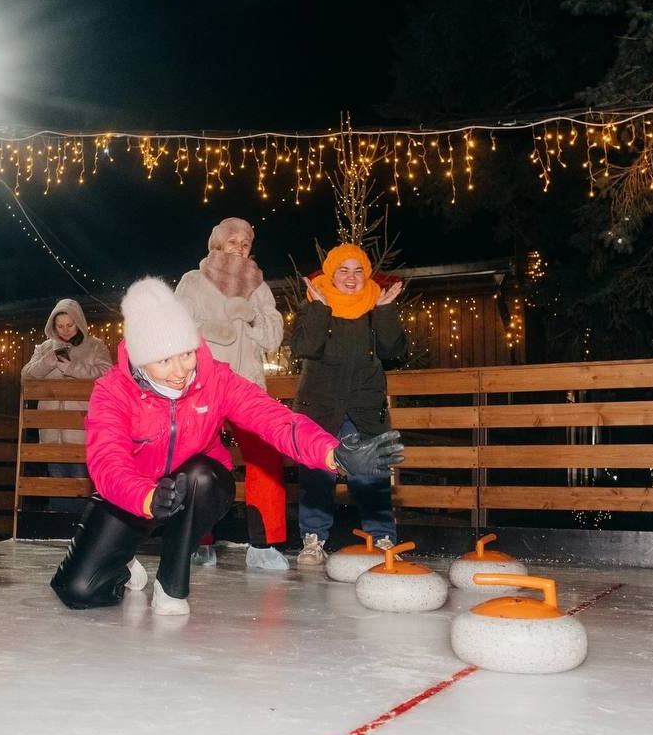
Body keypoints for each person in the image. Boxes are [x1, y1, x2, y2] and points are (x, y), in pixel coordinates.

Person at [50, 277, 403, 615]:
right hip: (131, 492)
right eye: (164, 361)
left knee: (202, 476)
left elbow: (272, 418)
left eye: (186, 354)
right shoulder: (113, 391)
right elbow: (106, 461)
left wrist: (333, 453)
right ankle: (123, 560)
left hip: (194, 488)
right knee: (80, 591)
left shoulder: (213, 378)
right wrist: (144, 497)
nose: (179, 371)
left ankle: (171, 585)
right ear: (141, 359)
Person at [175, 217, 289, 570]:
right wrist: (214, 327)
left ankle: (264, 543)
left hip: (247, 383)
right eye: (233, 241)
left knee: (265, 456)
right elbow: (175, 327)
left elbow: (273, 338)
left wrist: (253, 318)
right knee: (197, 459)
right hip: (204, 381)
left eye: (246, 243)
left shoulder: (258, 286)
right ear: (218, 244)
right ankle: (198, 539)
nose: (240, 247)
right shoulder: (193, 282)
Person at [291, 243, 407, 567]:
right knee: (317, 472)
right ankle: (313, 539)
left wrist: (384, 311)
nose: (351, 277)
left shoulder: (375, 304)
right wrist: (319, 308)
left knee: (371, 470)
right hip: (320, 405)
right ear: (331, 273)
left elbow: (393, 349)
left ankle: (382, 537)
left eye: (358, 270)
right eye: (343, 270)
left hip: (365, 405)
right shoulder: (313, 304)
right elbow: (305, 346)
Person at [20, 299, 112, 515]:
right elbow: (26, 376)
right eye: (60, 326)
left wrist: (73, 368)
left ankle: (81, 531)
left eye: (70, 325)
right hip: (51, 431)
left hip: (82, 431)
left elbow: (108, 374)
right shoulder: (44, 349)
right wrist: (48, 362)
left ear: (78, 322)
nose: (65, 331)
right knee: (57, 485)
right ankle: (59, 531)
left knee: (81, 485)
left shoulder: (95, 346)